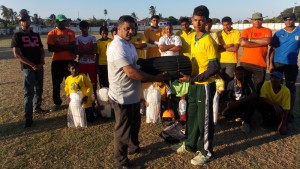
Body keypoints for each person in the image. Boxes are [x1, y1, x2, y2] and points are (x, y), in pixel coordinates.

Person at [107, 15, 167, 169]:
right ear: (118, 29)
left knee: (135, 123)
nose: (131, 31)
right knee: (122, 129)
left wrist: (158, 67)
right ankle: (121, 161)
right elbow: (131, 72)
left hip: (132, 93)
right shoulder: (117, 47)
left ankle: (134, 147)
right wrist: (154, 77)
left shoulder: (129, 45)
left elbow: (137, 64)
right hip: (122, 96)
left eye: (133, 28)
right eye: (127, 28)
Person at [175, 5, 219, 166]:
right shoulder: (194, 37)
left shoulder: (208, 40)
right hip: (193, 84)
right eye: (195, 20)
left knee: (204, 120)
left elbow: (214, 68)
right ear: (192, 20)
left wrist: (192, 79)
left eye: (201, 21)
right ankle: (190, 144)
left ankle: (207, 151)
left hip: (205, 86)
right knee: (192, 117)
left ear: (206, 21)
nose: (198, 23)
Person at [11, 9, 45, 128]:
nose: (25, 21)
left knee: (39, 88)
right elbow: (17, 54)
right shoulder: (17, 35)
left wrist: (41, 62)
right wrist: (32, 65)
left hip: (39, 67)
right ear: (20, 22)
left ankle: (37, 107)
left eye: (27, 19)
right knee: (29, 93)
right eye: (23, 20)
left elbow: (41, 50)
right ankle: (28, 118)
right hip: (28, 69)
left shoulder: (36, 35)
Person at [269, 12, 300, 121]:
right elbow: (272, 49)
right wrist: (270, 63)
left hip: (291, 64)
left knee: (291, 88)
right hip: (277, 63)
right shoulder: (278, 33)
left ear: (294, 19)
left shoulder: (299, 31)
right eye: (285, 19)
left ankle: (289, 112)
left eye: (290, 19)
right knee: (276, 86)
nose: (288, 21)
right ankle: (277, 110)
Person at [47, 14, 76, 112]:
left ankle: (73, 101)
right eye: (60, 21)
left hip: (69, 61)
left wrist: (58, 47)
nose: (62, 23)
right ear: (57, 22)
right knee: (56, 84)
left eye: (63, 21)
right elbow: (50, 48)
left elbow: (72, 46)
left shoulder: (70, 32)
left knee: (71, 82)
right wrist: (65, 47)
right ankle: (57, 103)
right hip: (57, 62)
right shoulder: (52, 33)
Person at [239, 12, 272, 91]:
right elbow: (242, 43)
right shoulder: (246, 31)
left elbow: (267, 41)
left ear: (262, 20)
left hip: (260, 64)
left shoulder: (267, 30)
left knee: (259, 88)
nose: (257, 21)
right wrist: (261, 42)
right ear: (251, 21)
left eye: (259, 19)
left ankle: (256, 103)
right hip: (246, 63)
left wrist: (249, 40)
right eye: (255, 20)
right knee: (245, 86)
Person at [221, 66, 257, 133]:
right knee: (224, 113)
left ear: (244, 74)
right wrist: (230, 103)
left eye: (241, 74)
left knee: (253, 102)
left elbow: (254, 94)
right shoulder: (231, 83)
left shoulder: (248, 82)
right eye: (237, 74)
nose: (239, 75)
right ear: (234, 74)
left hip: (245, 104)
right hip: (235, 105)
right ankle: (242, 116)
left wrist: (239, 102)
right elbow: (228, 96)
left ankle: (246, 122)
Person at [75, 21, 98, 99]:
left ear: (88, 28)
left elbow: (95, 51)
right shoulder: (78, 38)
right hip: (82, 63)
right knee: (82, 81)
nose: (84, 30)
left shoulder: (92, 38)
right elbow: (76, 52)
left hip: (92, 63)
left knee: (94, 81)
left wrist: (83, 51)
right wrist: (89, 50)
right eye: (82, 28)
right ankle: (83, 96)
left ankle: (95, 96)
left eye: (85, 28)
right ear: (80, 28)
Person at [217, 16, 240, 85]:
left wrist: (222, 47)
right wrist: (229, 45)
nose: (226, 26)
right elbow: (217, 48)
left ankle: (228, 95)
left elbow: (235, 48)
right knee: (219, 82)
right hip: (220, 60)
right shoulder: (218, 33)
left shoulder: (236, 33)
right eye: (224, 25)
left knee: (229, 81)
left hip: (231, 61)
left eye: (228, 24)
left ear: (231, 23)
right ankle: (219, 96)